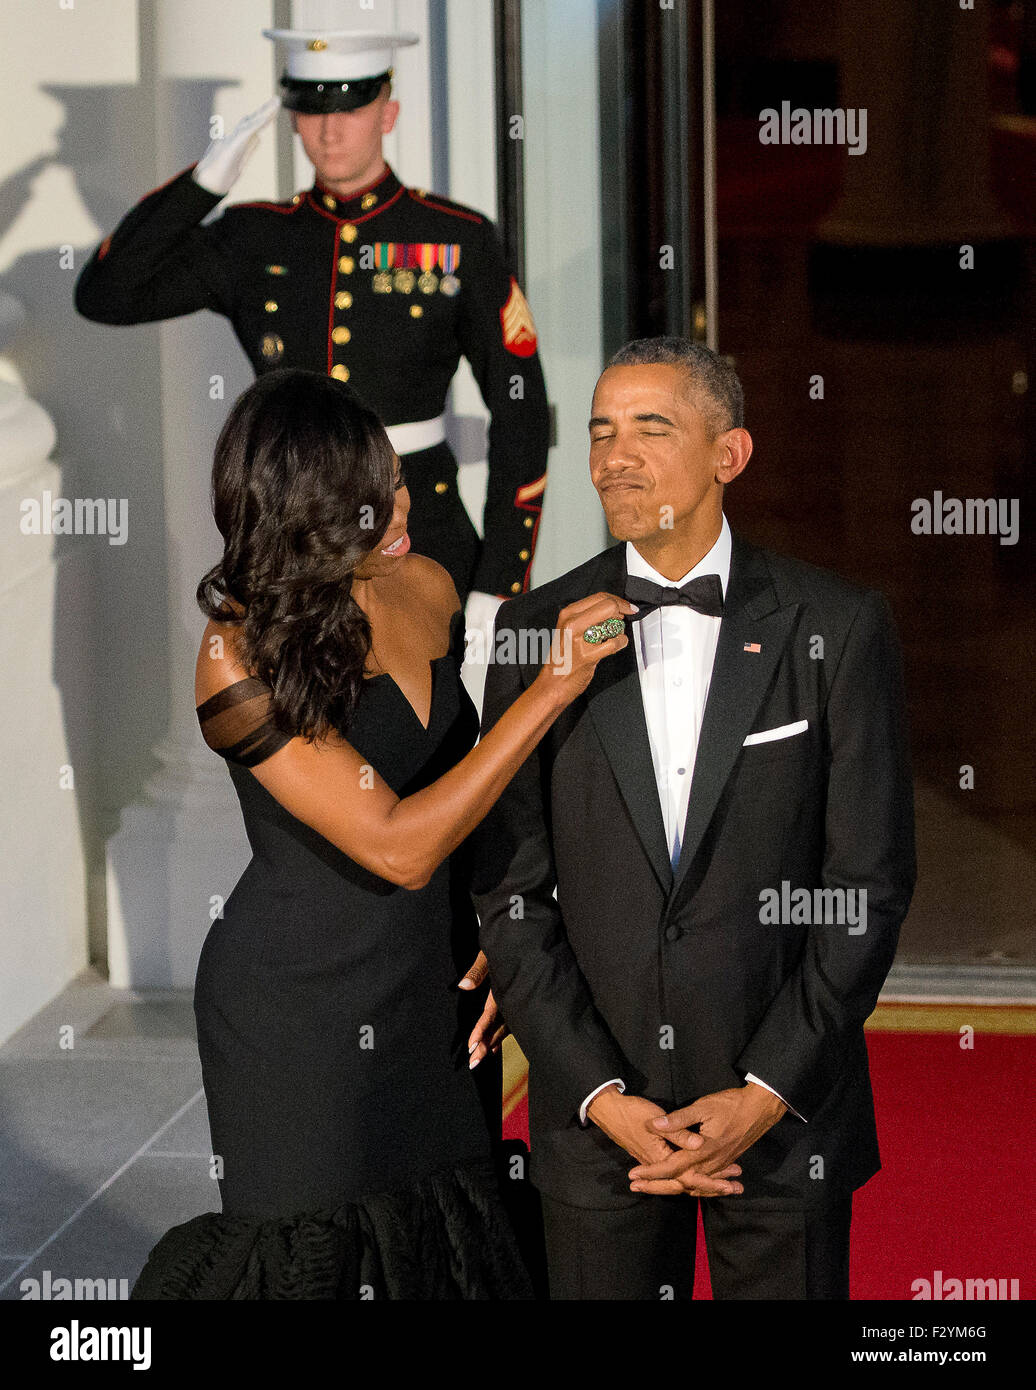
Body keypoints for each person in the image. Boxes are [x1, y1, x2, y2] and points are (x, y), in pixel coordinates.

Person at [128, 368, 631, 1300]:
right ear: (309, 512)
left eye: (399, 479)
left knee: (449, 1253)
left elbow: (465, 790)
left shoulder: (427, 584)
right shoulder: (232, 652)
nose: (404, 504)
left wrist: (496, 935)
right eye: (373, 497)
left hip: (431, 998)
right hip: (299, 1021)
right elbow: (399, 842)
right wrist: (553, 689)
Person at [471, 337, 917, 1300]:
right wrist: (600, 1094)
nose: (611, 457)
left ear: (731, 453)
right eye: (599, 431)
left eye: (649, 429)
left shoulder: (835, 627)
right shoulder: (531, 630)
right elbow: (509, 884)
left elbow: (865, 890)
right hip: (599, 1129)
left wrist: (765, 1092)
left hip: (786, 1109)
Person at [73, 27, 549, 618]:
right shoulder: (255, 236)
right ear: (292, 119)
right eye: (312, 110)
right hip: (290, 533)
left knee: (440, 708)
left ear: (388, 112)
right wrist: (202, 186)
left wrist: (499, 583)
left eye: (352, 107)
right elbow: (106, 295)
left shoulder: (456, 237)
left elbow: (522, 413)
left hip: (421, 532)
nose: (330, 130)